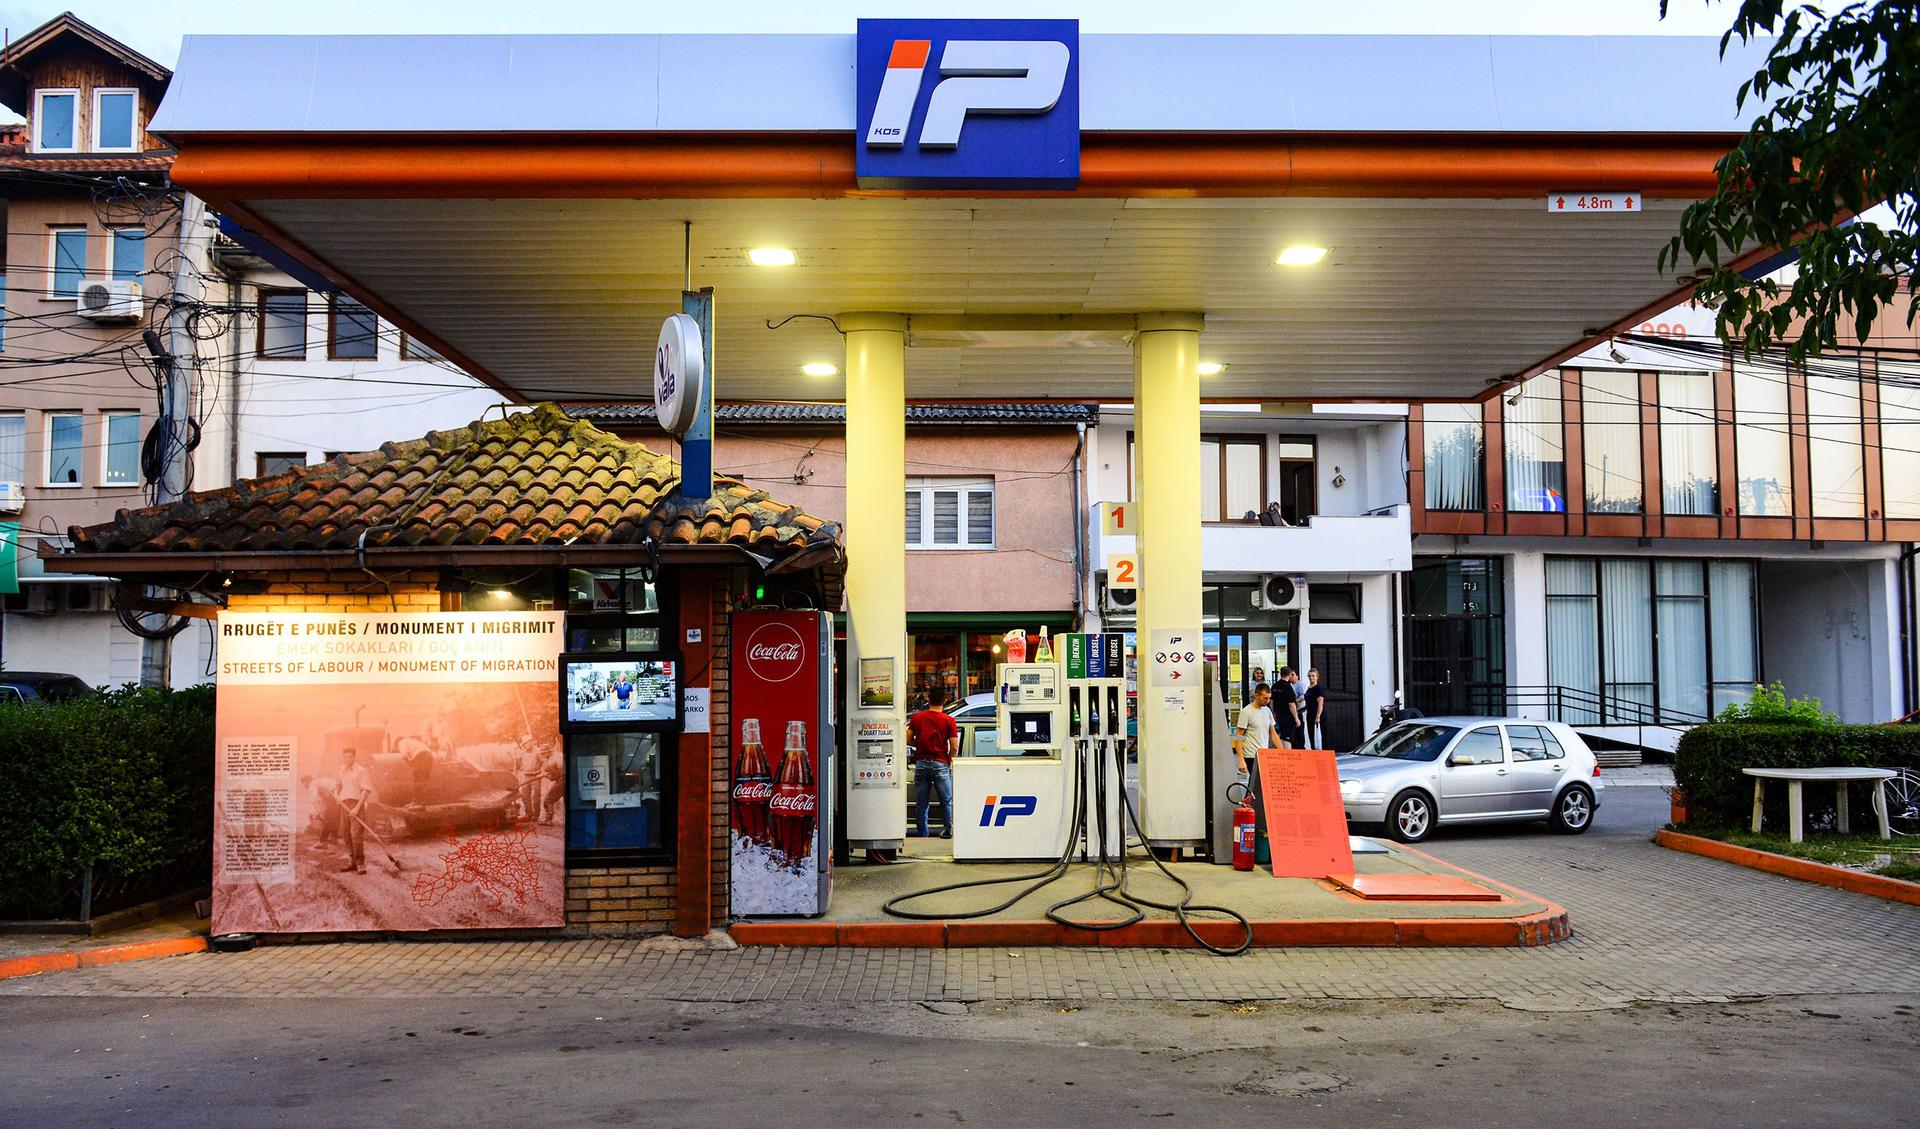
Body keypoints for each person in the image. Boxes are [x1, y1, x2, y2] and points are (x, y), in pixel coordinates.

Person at [907, 695, 959, 839]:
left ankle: (923, 834)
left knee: (921, 803)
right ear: (944, 701)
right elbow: (954, 747)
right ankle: (948, 830)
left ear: (928, 700)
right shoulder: (949, 720)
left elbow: (908, 738)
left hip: (921, 763)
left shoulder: (917, 718)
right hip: (940, 763)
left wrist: (921, 745)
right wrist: (947, 762)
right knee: (946, 801)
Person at [334, 746, 375, 874]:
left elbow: (366, 790)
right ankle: (352, 862)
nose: (347, 759)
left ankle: (360, 864)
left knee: (356, 835)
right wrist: (337, 794)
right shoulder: (341, 772)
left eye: (350, 756)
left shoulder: (361, 771)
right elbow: (338, 786)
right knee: (345, 834)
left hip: (356, 804)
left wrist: (357, 808)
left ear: (354, 757)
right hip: (344, 805)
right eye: (345, 757)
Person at [1233, 682, 1282, 779]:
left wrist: (1281, 751)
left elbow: (1273, 734)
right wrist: (1241, 760)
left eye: (1269, 698)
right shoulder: (1246, 712)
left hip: (1264, 754)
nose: (1267, 701)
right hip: (1251, 755)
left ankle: (1250, 794)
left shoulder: (1267, 711)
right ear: (1256, 695)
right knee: (1259, 781)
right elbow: (1238, 737)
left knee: (1259, 784)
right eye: (1265, 698)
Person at [1276, 667, 1304, 748]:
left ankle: (1281, 754)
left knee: (1281, 736)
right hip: (1288, 716)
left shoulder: (1275, 686)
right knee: (1287, 738)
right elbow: (1291, 704)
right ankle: (1287, 757)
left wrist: (1274, 714)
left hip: (1279, 715)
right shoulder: (1288, 687)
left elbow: (1272, 702)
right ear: (1289, 675)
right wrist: (1296, 718)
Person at [1302, 668, 1327, 749]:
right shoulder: (1309, 688)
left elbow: (1320, 703)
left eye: (1313, 676)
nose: (1311, 677)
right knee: (1311, 736)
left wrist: (1317, 716)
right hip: (1309, 715)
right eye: (1309, 676)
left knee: (1320, 736)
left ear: (1317, 677)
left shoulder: (1318, 688)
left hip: (1317, 716)